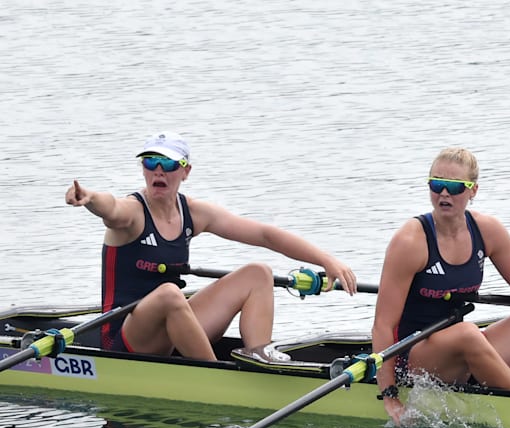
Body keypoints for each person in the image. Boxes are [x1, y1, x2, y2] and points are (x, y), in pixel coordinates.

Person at [65, 131, 357, 361]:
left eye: (167, 164)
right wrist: (89, 198)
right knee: (168, 294)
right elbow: (111, 207)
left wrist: (325, 259)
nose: (158, 172)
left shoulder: (193, 212)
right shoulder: (132, 212)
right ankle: (217, 376)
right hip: (124, 337)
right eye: (150, 163)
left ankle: (260, 359)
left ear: (185, 171)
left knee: (258, 273)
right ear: (143, 169)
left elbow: (265, 235)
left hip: (171, 328)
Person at [371, 147, 510, 425]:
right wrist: (388, 393)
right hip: (415, 358)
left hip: (465, 347)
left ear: (473, 191)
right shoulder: (410, 241)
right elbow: (383, 326)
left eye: (455, 187)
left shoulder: (487, 230)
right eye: (437, 185)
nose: (444, 194)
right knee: (468, 333)